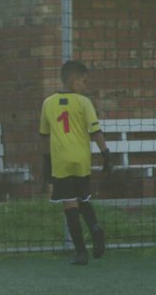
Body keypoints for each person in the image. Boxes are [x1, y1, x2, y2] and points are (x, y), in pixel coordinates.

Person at [39, 60, 113, 266]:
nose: (86, 86)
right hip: (81, 160)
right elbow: (96, 131)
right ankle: (95, 228)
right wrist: (107, 155)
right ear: (72, 81)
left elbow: (44, 138)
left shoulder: (48, 103)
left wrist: (46, 168)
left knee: (70, 205)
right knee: (84, 198)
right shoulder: (84, 102)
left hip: (61, 162)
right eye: (84, 82)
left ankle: (80, 253)